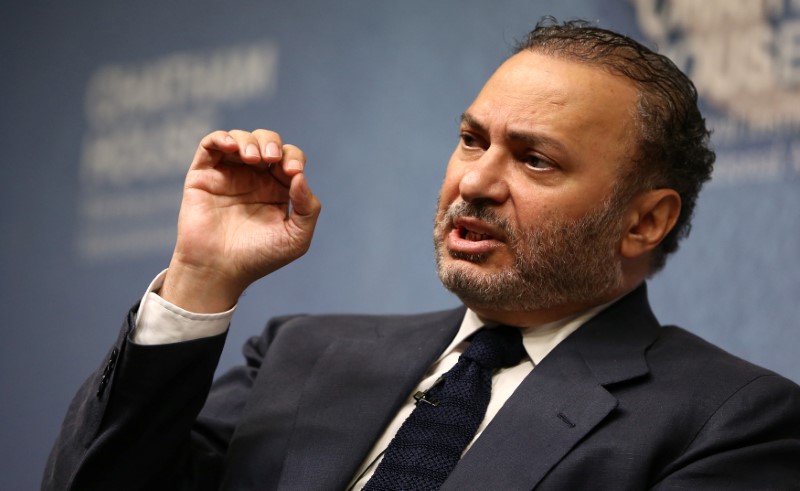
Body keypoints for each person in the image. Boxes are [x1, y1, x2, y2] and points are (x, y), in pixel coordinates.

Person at [43, 19, 800, 490]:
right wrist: (201, 278)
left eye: (535, 160)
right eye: (472, 139)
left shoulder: (733, 421)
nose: (474, 180)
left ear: (644, 221)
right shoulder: (302, 352)